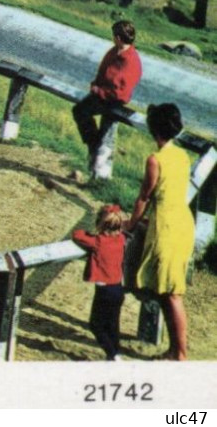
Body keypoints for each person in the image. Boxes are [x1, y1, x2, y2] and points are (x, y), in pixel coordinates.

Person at [126, 103, 194, 360]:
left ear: (154, 128)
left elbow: (144, 197)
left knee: (171, 292)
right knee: (168, 289)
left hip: (166, 226)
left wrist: (130, 224)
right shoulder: (182, 156)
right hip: (183, 222)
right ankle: (176, 350)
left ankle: (179, 353)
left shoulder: (155, 160)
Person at [72, 21, 142, 170]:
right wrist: (95, 85)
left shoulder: (130, 60)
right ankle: (94, 146)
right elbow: (102, 70)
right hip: (102, 94)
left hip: (114, 100)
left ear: (118, 37)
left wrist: (100, 91)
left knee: (81, 111)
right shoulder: (114, 51)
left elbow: (121, 92)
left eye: (113, 36)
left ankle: (95, 148)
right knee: (79, 110)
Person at [71, 203, 128, 360]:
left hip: (104, 291)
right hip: (118, 289)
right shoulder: (121, 239)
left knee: (95, 325)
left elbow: (77, 235)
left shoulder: (98, 241)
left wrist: (89, 232)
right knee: (113, 325)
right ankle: (115, 354)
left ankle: (113, 354)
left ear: (100, 224)